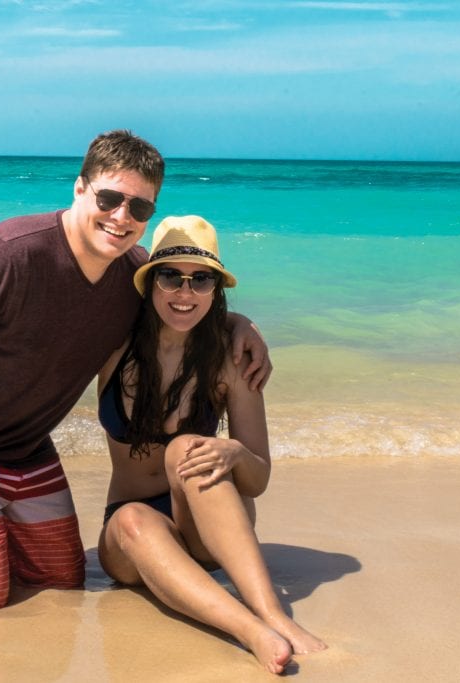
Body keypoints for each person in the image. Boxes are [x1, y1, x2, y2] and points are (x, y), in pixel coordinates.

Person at [0, 130, 271, 612]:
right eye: (109, 198)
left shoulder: (132, 273)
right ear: (80, 188)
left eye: (140, 208)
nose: (122, 217)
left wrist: (237, 321)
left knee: (62, 580)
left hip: (29, 449)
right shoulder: (4, 253)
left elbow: (183, 295)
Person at [96, 215, 326, 675]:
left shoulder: (231, 358)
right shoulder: (111, 344)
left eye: (200, 279)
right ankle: (250, 631)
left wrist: (236, 453)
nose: (185, 293)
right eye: (170, 277)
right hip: (129, 538)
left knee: (187, 449)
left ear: (217, 289)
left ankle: (271, 614)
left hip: (204, 527)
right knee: (133, 519)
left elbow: (257, 480)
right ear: (150, 283)